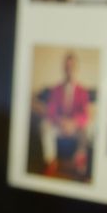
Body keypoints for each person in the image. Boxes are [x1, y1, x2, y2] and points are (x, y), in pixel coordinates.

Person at [42, 52, 92, 180]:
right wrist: (61, 121)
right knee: (45, 126)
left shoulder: (83, 91)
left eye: (72, 66)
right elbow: (51, 111)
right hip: (59, 126)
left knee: (87, 130)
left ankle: (80, 165)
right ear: (64, 68)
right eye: (67, 66)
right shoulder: (56, 89)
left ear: (76, 68)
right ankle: (51, 162)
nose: (69, 69)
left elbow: (85, 115)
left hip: (75, 128)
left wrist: (73, 123)